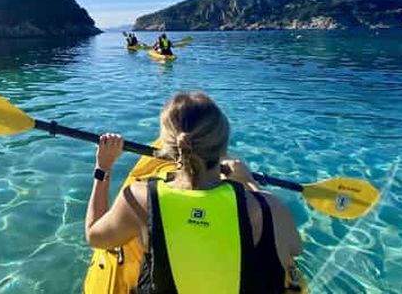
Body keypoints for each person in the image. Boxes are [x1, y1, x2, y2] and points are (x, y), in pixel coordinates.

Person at [85, 92, 302, 293]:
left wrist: (103, 168)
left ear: (169, 148)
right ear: (223, 147)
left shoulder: (139, 200)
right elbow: (294, 248)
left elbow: (95, 237)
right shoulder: (268, 207)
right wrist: (249, 183)